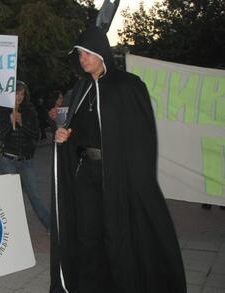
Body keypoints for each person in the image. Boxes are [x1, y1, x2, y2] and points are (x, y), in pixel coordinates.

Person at [50, 27, 186, 293]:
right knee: (87, 233)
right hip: (85, 172)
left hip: (118, 173)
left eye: (87, 53)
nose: (83, 59)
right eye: (79, 55)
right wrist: (63, 136)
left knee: (118, 233)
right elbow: (72, 129)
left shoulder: (128, 85)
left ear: (101, 52)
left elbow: (142, 135)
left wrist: (135, 175)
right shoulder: (79, 90)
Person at [0, 81, 50, 231]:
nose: (18, 97)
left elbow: (35, 134)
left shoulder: (29, 110)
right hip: (7, 160)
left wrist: (21, 122)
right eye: (16, 93)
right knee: (11, 197)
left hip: (26, 160)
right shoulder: (2, 110)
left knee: (35, 196)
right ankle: (12, 230)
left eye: (21, 94)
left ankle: (51, 228)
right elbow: (0, 135)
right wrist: (10, 121)